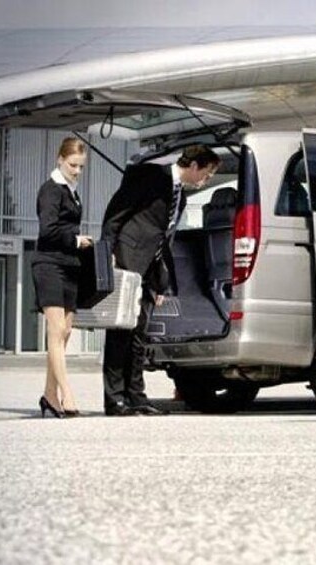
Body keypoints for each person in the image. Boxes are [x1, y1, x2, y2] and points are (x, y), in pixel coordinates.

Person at [100, 145, 220, 416]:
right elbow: (116, 213)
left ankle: (136, 397)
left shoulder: (183, 198)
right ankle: (114, 398)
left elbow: (165, 239)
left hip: (150, 270)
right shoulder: (151, 177)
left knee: (140, 334)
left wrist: (161, 281)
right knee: (121, 332)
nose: (207, 180)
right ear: (194, 166)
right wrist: (107, 252)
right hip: (128, 259)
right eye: (208, 174)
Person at [32, 137, 94, 418]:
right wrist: (76, 239)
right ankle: (66, 394)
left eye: (81, 167)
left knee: (66, 332)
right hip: (50, 265)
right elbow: (47, 230)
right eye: (73, 165)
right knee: (56, 332)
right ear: (60, 159)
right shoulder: (51, 190)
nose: (77, 171)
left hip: (69, 266)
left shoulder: (72, 190)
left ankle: (48, 395)